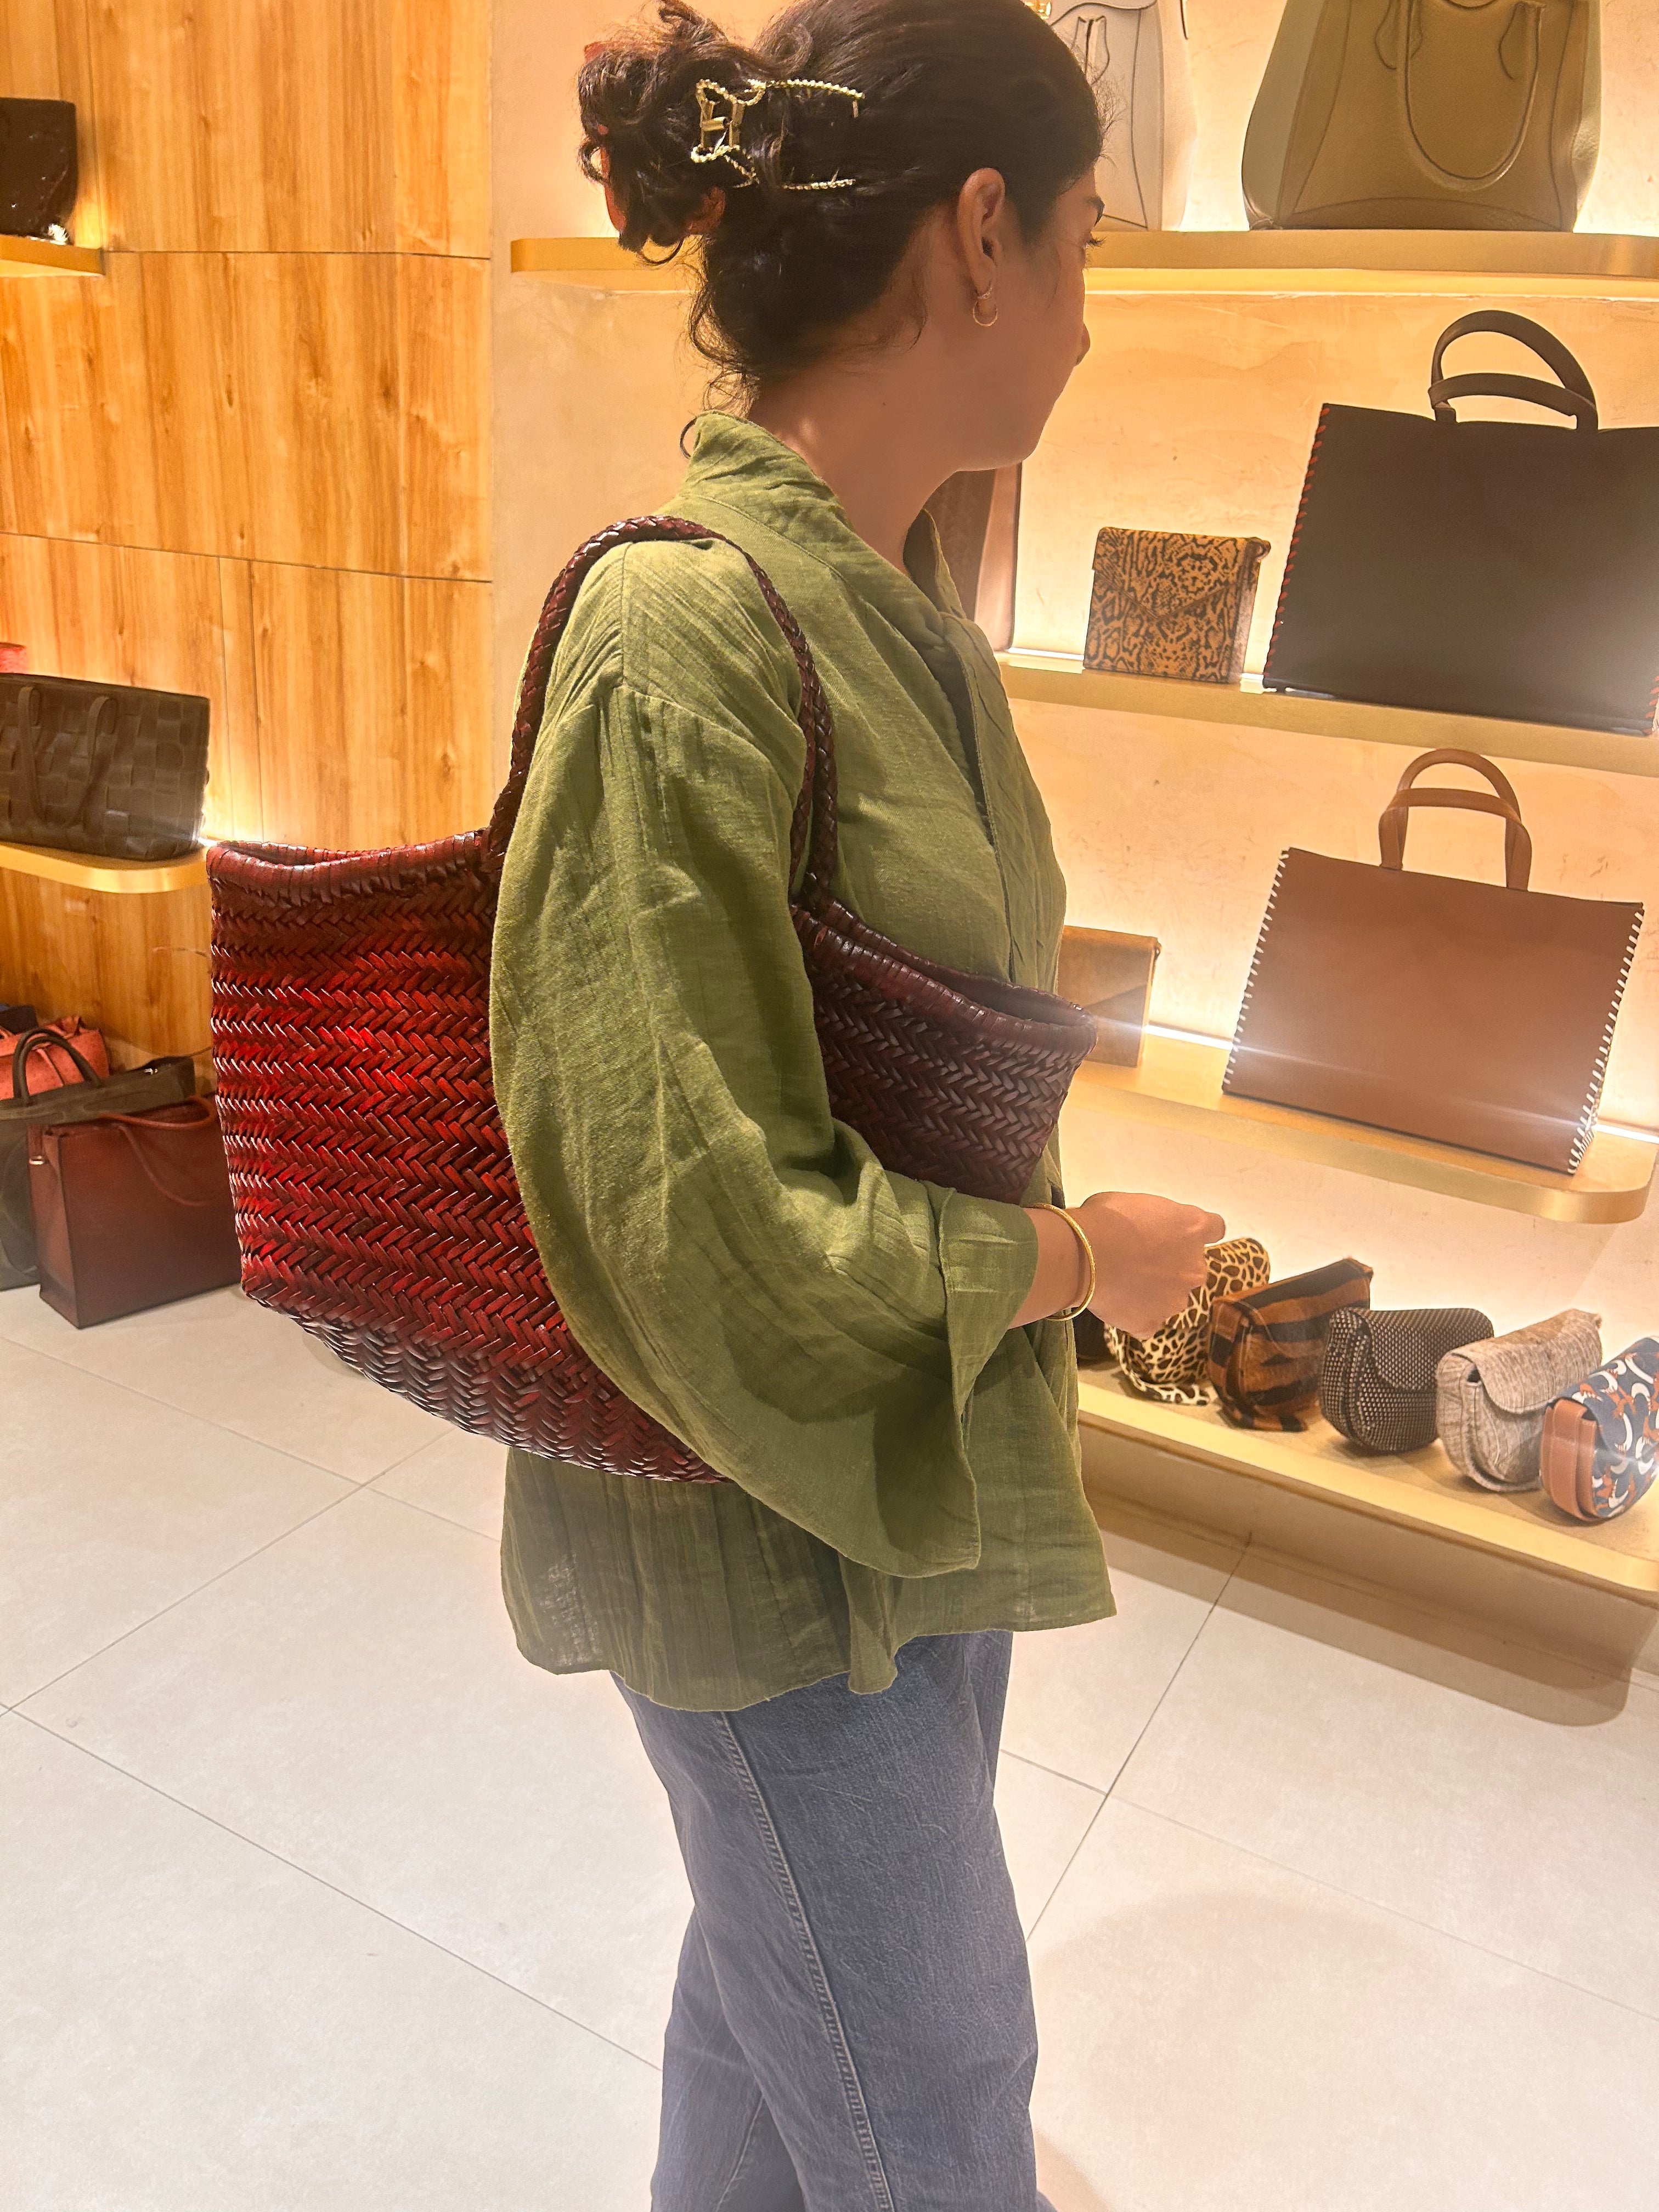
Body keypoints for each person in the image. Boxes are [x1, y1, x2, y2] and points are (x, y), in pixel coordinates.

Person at [490, 3, 1223, 2204]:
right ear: (978, 234)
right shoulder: (682, 636)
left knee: (770, 1995)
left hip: (912, 1479)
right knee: (929, 2097)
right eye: (1087, 247)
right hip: (764, 1521)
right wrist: (1091, 1264)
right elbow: (701, 1230)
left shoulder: (899, 611)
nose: (1096, 316)